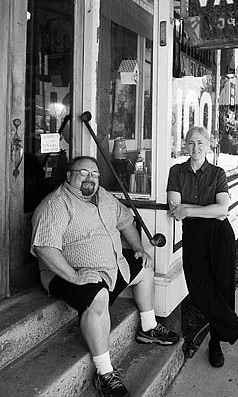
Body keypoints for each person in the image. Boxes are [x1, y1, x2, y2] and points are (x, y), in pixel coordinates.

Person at [31, 156, 179, 397]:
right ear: (69, 176)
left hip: (111, 266)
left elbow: (125, 221)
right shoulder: (57, 204)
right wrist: (74, 276)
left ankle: (148, 327)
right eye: (84, 173)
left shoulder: (105, 197)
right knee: (98, 297)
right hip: (68, 273)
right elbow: (44, 248)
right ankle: (105, 373)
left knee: (144, 267)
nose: (91, 178)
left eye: (95, 174)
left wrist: (139, 249)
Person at [167, 126, 238, 368]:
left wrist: (190, 209)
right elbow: (177, 211)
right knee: (199, 290)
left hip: (219, 235)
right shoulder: (176, 172)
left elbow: (222, 210)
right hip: (193, 236)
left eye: (200, 143)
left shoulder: (217, 173)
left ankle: (216, 343)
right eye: (190, 143)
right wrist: (199, 211)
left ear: (209, 145)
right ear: (185, 146)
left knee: (223, 289)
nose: (195, 148)